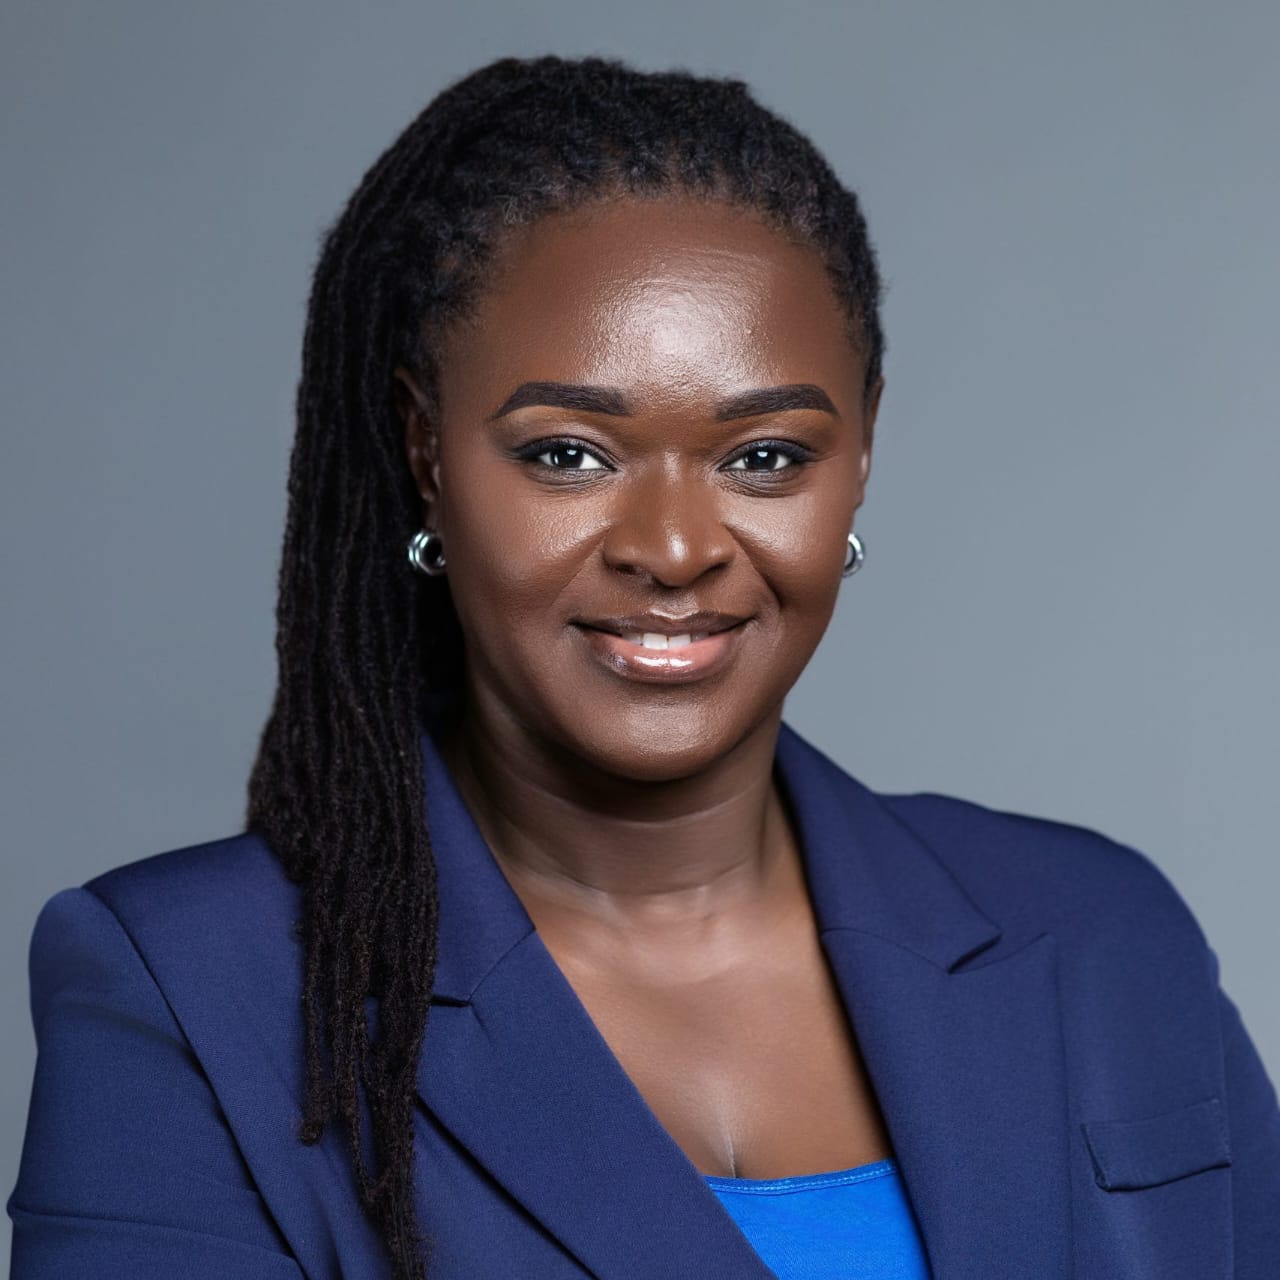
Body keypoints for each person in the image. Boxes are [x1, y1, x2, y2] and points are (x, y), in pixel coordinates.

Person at [8, 53, 1279, 1280]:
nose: (673, 549)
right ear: (426, 452)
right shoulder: (190, 991)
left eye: (765, 457)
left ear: (861, 453)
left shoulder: (1100, 936)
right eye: (567, 454)